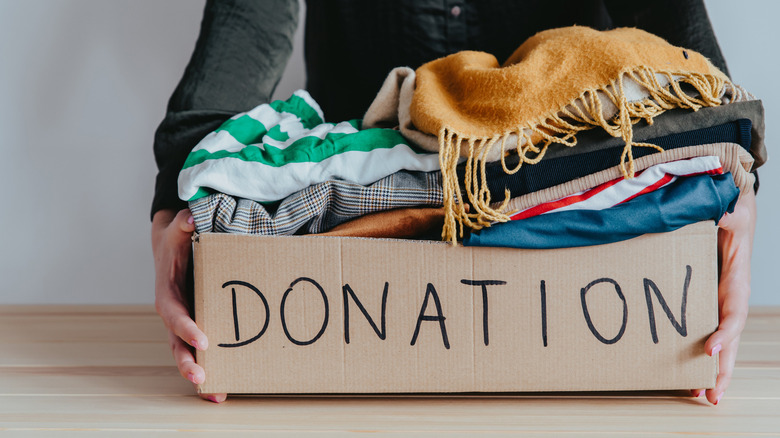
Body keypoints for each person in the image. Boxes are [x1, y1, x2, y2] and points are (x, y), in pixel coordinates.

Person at [151, 0, 756, 404]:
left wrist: (734, 173)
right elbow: (251, 18)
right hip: (350, 211)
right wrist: (179, 201)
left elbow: (675, 31)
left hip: (593, 160)